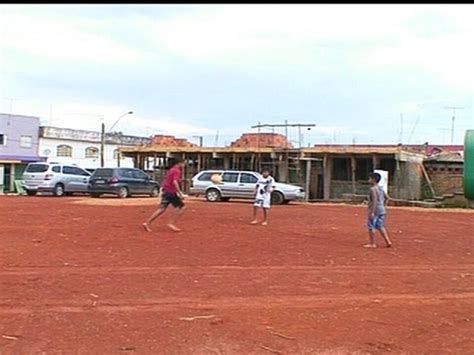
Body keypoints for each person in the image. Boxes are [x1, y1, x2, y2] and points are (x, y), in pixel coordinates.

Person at [143, 158, 186, 233]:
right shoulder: (177, 170)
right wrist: (180, 193)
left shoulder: (172, 169)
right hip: (171, 192)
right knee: (181, 207)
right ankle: (171, 223)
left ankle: (147, 223)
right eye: (183, 163)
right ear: (179, 163)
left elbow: (170, 180)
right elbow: (174, 182)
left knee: (161, 209)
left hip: (166, 191)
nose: (184, 165)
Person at [365, 172, 392, 248]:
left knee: (371, 226)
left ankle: (372, 243)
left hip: (375, 209)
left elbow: (374, 200)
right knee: (380, 226)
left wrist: (372, 212)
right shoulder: (380, 188)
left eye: (370, 178)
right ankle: (388, 241)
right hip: (382, 209)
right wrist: (384, 206)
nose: (369, 180)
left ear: (373, 180)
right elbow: (387, 198)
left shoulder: (372, 189)